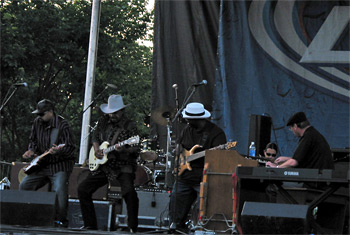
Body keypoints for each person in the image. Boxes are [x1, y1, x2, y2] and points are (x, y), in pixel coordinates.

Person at [77, 95, 139, 233]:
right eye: (111, 112)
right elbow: (95, 137)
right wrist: (97, 149)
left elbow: (136, 148)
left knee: (129, 192)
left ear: (122, 111)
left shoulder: (130, 126)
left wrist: (124, 149)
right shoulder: (103, 121)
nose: (112, 115)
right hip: (104, 165)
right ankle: (90, 224)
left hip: (123, 164)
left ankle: (132, 227)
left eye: (115, 112)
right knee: (83, 189)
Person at [169, 102, 227, 232]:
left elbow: (219, 157)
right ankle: (177, 227)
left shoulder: (216, 133)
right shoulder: (186, 130)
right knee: (176, 204)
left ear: (198, 119)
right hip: (184, 176)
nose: (187, 120)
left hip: (204, 177)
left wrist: (211, 153)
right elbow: (179, 144)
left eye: (189, 118)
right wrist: (178, 150)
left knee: (205, 208)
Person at [20, 99, 75, 227]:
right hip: (42, 164)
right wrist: (31, 150)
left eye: (41, 114)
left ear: (51, 112)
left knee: (59, 191)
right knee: (24, 186)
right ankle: (28, 217)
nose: (39, 117)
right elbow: (32, 140)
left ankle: (61, 221)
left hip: (59, 165)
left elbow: (70, 149)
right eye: (38, 114)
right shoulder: (36, 123)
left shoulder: (63, 125)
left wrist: (58, 152)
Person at [266, 112, 334, 169]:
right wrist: (287, 159)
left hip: (317, 182)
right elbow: (303, 158)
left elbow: (293, 162)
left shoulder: (308, 137)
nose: (292, 131)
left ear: (295, 126)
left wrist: (276, 168)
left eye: (291, 128)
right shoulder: (313, 134)